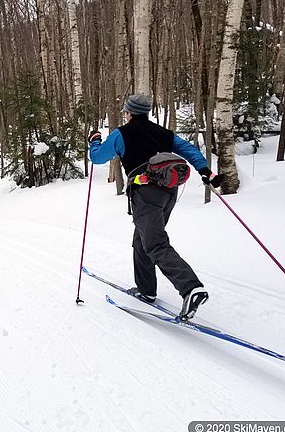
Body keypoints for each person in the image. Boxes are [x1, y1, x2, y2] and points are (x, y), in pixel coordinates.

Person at [88, 94, 222, 320]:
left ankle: (191, 288)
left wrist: (95, 140)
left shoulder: (122, 133)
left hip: (145, 193)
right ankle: (146, 290)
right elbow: (188, 150)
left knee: (155, 243)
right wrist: (205, 171)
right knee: (141, 241)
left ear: (129, 113)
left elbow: (98, 158)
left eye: (125, 111)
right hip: (169, 194)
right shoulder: (163, 133)